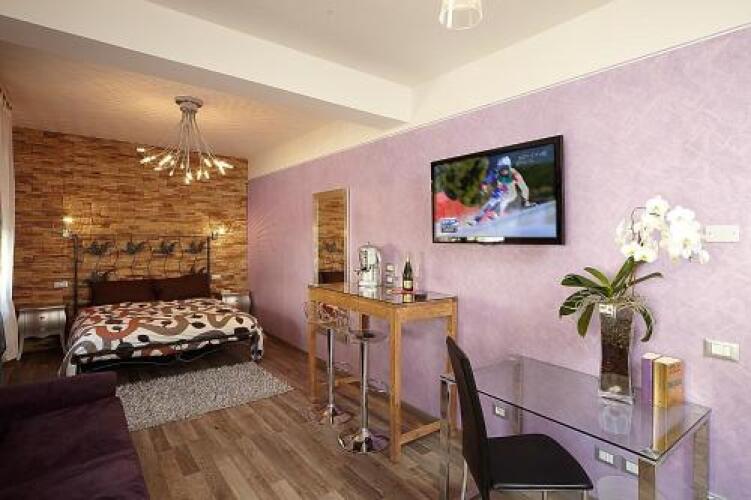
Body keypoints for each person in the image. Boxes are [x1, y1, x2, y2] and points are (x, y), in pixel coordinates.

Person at [467, 156, 535, 225]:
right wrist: (484, 184)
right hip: (497, 194)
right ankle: (476, 220)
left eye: (504, 168)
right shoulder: (495, 172)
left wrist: (526, 201)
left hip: (508, 195)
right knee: (488, 205)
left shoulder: (514, 173)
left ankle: (496, 215)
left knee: (502, 202)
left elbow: (524, 188)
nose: (501, 171)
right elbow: (488, 179)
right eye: (500, 168)